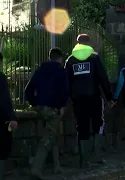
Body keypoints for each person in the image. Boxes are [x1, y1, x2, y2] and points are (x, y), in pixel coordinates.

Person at [64, 34, 113, 168]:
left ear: (77, 43)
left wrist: (68, 98)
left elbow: (66, 81)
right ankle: (97, 156)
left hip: (78, 100)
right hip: (94, 97)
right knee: (98, 125)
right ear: (89, 43)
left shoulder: (70, 60)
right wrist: (109, 97)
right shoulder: (94, 57)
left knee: (82, 127)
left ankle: (83, 160)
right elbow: (103, 77)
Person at [24, 47, 68, 178]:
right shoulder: (61, 71)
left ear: (50, 57)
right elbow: (64, 91)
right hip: (53, 109)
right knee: (48, 138)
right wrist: (62, 106)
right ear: (60, 58)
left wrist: (34, 103)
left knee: (53, 135)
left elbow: (28, 90)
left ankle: (56, 166)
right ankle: (36, 168)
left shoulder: (39, 70)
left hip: (40, 107)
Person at [0, 52, 18, 180]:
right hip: (1, 119)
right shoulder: (0, 78)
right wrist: (12, 118)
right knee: (2, 148)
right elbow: (5, 100)